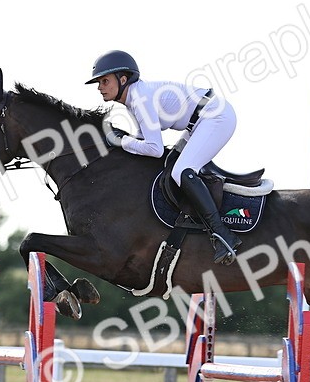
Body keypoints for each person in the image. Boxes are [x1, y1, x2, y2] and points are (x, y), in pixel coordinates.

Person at [85, 50, 242, 265]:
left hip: (216, 116)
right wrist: (123, 140)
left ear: (123, 79)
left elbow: (154, 148)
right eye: (99, 82)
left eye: (104, 81)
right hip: (199, 121)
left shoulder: (139, 99)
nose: (100, 87)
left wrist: (121, 141)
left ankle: (223, 234)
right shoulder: (133, 99)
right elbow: (143, 140)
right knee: (171, 165)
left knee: (181, 171)